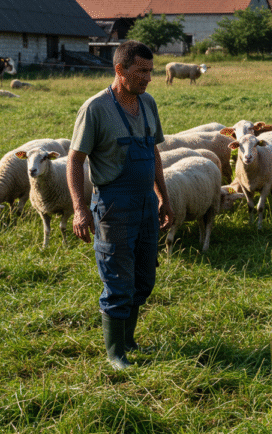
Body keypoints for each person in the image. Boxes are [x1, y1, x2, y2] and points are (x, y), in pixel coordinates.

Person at [67, 40, 173, 370]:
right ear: (119, 70)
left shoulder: (148, 104)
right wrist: (80, 209)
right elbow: (74, 160)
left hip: (145, 205)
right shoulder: (96, 108)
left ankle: (128, 339)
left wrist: (164, 199)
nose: (148, 78)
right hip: (113, 206)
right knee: (118, 281)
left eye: (150, 71)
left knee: (144, 279)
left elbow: (154, 154)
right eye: (141, 71)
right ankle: (115, 354)